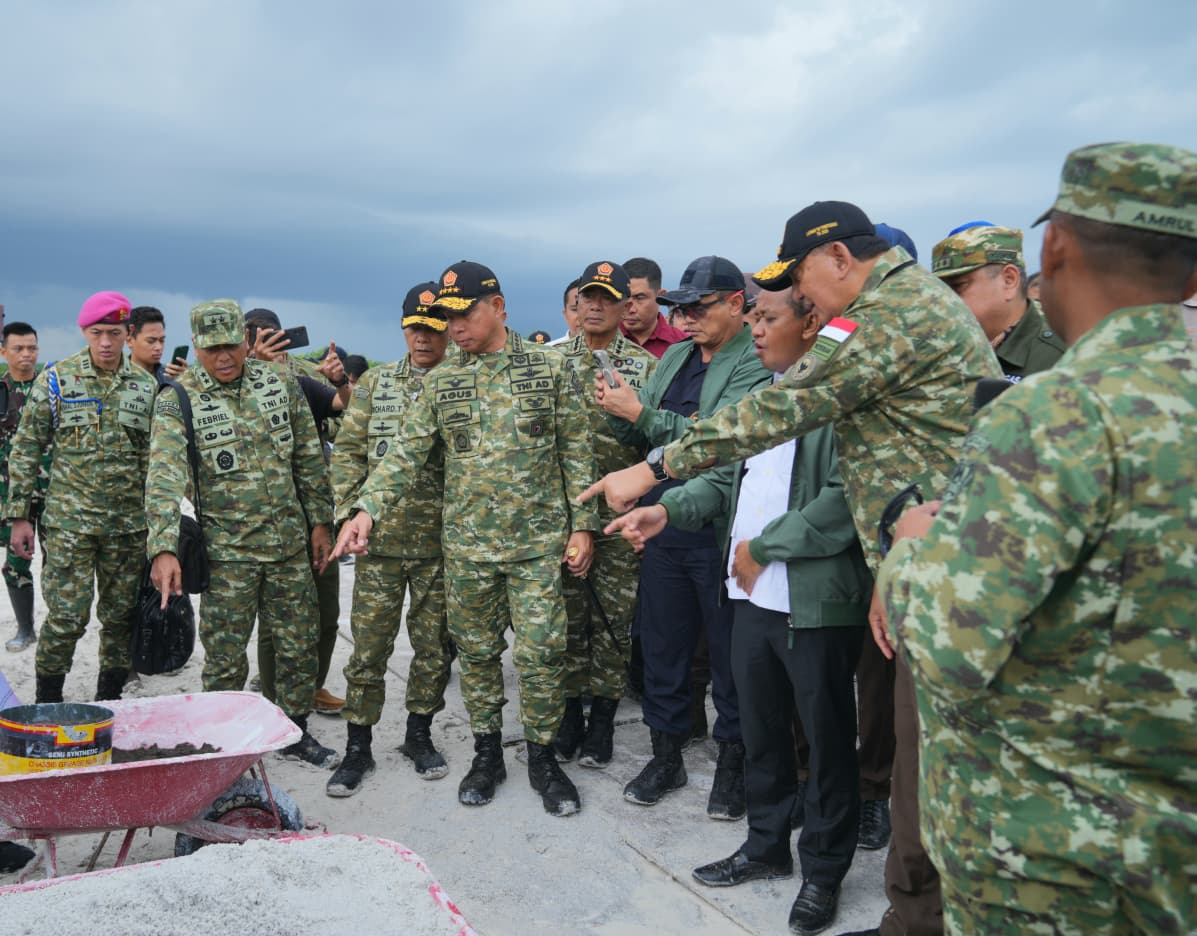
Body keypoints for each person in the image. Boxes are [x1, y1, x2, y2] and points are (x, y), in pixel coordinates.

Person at [580, 201, 1001, 936]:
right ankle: (896, 905)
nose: (798, 303)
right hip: (915, 564)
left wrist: (653, 469)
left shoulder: (889, 315)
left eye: (800, 284)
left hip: (946, 574)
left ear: (838, 259)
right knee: (875, 754)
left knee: (922, 765)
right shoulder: (882, 310)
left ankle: (918, 914)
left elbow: (789, 407)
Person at [877, 142, 1197, 934]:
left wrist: (912, 545)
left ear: (1051, 250)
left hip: (1051, 856)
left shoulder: (1053, 412)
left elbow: (949, 646)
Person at [608, 285, 874, 934]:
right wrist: (666, 508)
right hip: (751, 596)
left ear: (811, 327)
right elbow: (726, 476)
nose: (755, 331)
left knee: (829, 742)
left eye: (768, 318)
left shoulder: (840, 405)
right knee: (761, 733)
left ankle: (821, 872)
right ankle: (764, 846)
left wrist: (764, 546)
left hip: (812, 605)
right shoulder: (766, 403)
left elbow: (843, 503)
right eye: (751, 318)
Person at [333, 261, 598, 817]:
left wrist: (583, 527)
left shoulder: (548, 370)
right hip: (468, 549)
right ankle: (486, 753)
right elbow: (404, 453)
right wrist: (365, 511)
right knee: (477, 656)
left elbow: (577, 452)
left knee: (542, 655)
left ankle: (544, 758)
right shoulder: (443, 381)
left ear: (499, 307)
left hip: (535, 546)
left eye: (464, 313)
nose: (454, 326)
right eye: (446, 316)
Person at [596, 255, 770, 820]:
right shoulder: (674, 355)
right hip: (663, 525)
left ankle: (732, 766)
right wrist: (620, 407)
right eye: (680, 308)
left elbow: (719, 437)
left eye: (698, 308)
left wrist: (642, 412)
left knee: (728, 659)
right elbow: (644, 430)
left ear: (735, 304)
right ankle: (665, 756)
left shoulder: (753, 360)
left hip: (719, 529)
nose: (686, 318)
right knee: (665, 649)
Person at [147, 299, 338, 767]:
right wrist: (163, 548)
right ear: (196, 346)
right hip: (227, 554)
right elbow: (164, 473)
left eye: (232, 345)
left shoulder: (278, 383)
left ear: (245, 340)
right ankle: (227, 746)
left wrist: (319, 522)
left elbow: (308, 459)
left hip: (289, 545)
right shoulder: (179, 397)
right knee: (227, 657)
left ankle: (294, 730)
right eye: (212, 349)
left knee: (298, 644)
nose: (224, 357)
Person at [326, 282, 455, 796]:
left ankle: (419, 736)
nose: (423, 337)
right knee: (369, 649)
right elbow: (349, 451)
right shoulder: (377, 385)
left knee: (432, 650)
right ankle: (359, 746)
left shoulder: (462, 381)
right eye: (415, 326)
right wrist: (349, 513)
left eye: (433, 326)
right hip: (379, 548)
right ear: (403, 327)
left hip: (439, 547)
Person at [4, 292, 158, 703]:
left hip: (127, 528)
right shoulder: (56, 380)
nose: (105, 342)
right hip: (69, 526)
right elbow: (27, 446)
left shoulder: (146, 386)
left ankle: (109, 700)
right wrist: (20, 517)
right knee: (68, 618)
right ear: (84, 332)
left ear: (128, 333)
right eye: (96, 333)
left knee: (120, 618)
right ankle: (48, 701)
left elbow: (154, 459)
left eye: (113, 333)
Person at [554, 261, 656, 766]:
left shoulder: (645, 367)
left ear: (623, 307)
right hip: (567, 514)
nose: (594, 306)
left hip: (620, 515)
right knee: (569, 617)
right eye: (586, 297)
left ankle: (603, 722)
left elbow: (656, 442)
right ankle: (570, 713)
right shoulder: (549, 363)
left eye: (606, 298)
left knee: (613, 620)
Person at [244, 307, 348, 715]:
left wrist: (338, 379)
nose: (274, 344)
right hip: (267, 522)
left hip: (316, 513)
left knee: (327, 613)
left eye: (277, 335)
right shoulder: (232, 382)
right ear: (247, 342)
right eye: (261, 337)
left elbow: (341, 410)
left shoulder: (302, 378)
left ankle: (312, 686)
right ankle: (274, 701)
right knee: (277, 620)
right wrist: (256, 369)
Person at [931, 225, 1066, 381]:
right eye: (942, 290)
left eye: (958, 287)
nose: (946, 300)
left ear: (1009, 281)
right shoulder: (943, 346)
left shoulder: (1061, 352)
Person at [0, 323, 46, 652]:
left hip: (56, 490)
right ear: (4, 352)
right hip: (12, 494)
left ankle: (59, 629)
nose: (26, 355)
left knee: (60, 563)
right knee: (16, 561)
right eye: (18, 349)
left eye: (31, 348)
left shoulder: (51, 389)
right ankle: (25, 628)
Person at [620, 257, 688, 358]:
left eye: (639, 298)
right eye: (625, 297)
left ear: (660, 296)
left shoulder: (683, 347)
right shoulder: (601, 339)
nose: (631, 309)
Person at [126, 306, 188, 385]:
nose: (159, 347)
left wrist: (186, 383)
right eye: (151, 341)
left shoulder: (170, 377)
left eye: (162, 340)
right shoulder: (114, 378)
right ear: (130, 341)